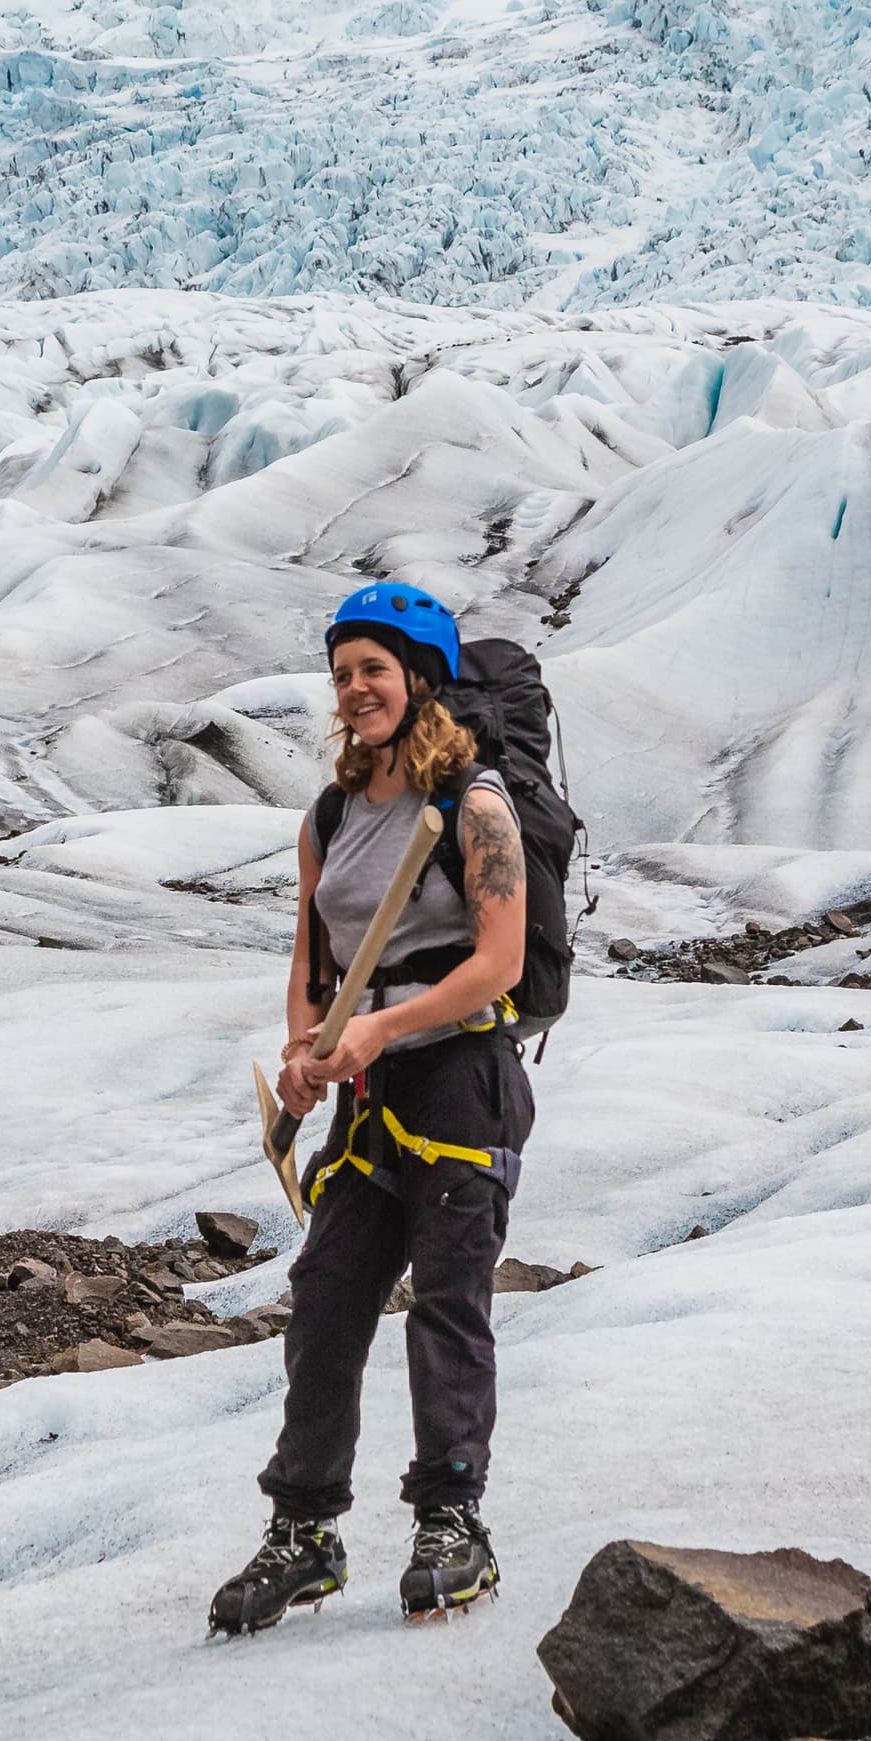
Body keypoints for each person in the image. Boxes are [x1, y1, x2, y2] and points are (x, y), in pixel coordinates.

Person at [211, 582, 531, 1634]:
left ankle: (453, 1520)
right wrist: (307, 1050)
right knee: (328, 1301)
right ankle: (304, 1528)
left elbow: (499, 964)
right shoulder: (333, 814)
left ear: (421, 680)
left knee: (448, 1301)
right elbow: (313, 962)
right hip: (367, 1087)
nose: (354, 690)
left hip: (459, 1080)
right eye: (343, 673)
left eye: (374, 671)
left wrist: (378, 1033)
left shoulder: (476, 806)